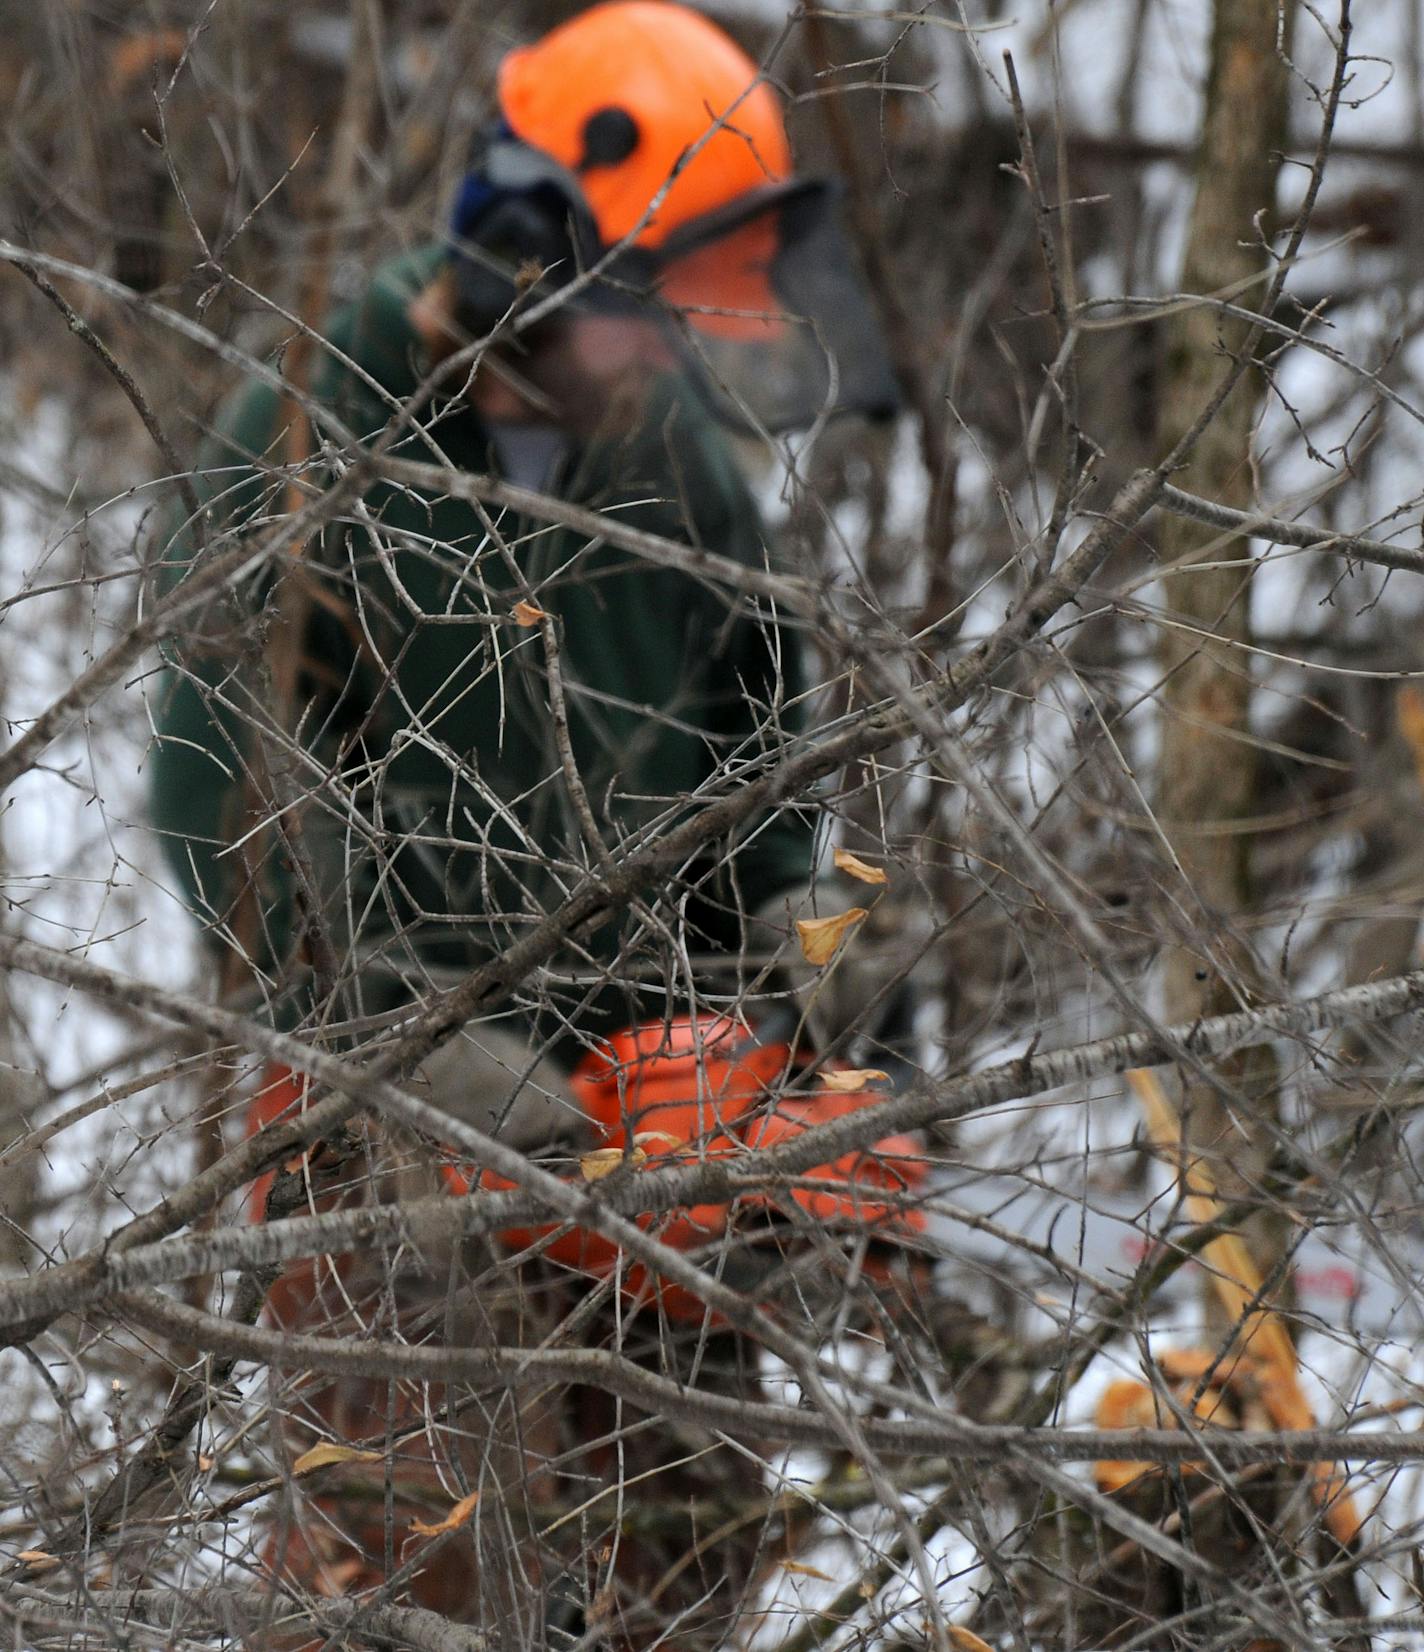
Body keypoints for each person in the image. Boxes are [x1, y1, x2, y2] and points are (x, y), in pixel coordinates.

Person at [149, 5, 918, 1644]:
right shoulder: (312, 432)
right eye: (656, 308)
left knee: (689, 1568)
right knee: (423, 1576)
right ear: (530, 249)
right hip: (386, 1132)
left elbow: (769, 788)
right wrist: (404, 1041)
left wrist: (817, 953)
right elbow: (226, 792)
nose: (682, 351)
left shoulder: (684, 480)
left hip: (657, 1139)